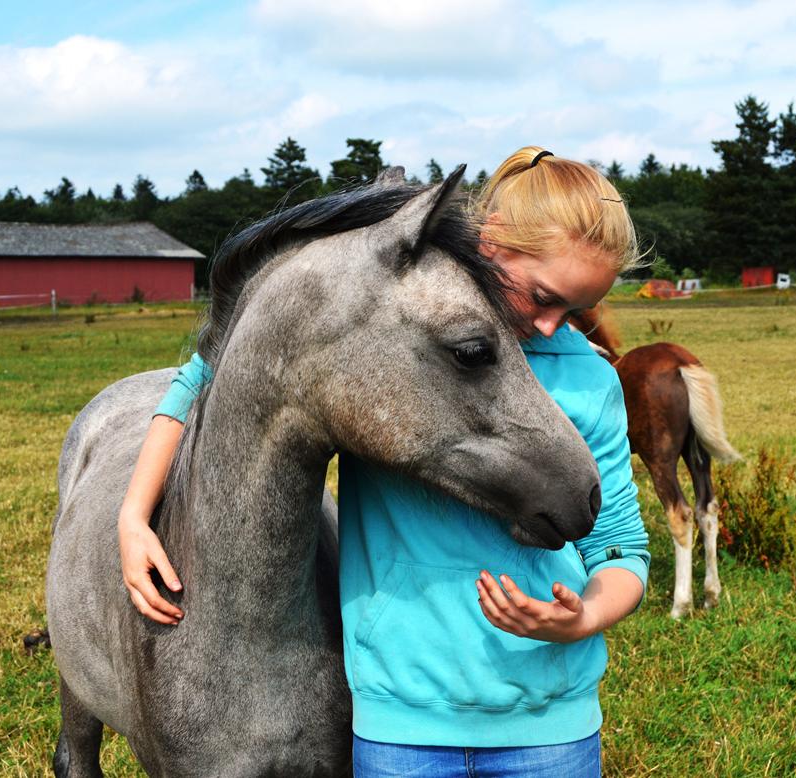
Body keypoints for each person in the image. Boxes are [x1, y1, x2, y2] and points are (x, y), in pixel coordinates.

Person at [117, 146, 650, 777]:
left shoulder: (587, 377)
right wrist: (133, 513)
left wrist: (584, 616)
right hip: (400, 721)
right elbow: (210, 373)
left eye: (574, 311)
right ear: (492, 240)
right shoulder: (393, 342)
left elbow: (620, 545)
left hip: (549, 724)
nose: (549, 327)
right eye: (542, 297)